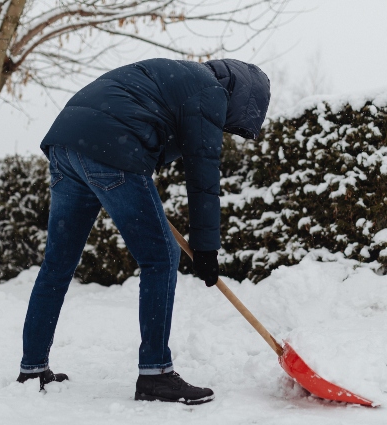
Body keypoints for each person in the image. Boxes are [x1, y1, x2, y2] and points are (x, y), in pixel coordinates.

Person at [15, 58, 271, 405]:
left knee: (57, 264)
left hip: (66, 145)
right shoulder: (211, 93)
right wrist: (206, 249)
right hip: (110, 147)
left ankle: (32, 368)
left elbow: (148, 130)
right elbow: (203, 176)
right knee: (161, 256)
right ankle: (156, 374)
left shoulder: (181, 76)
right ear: (243, 97)